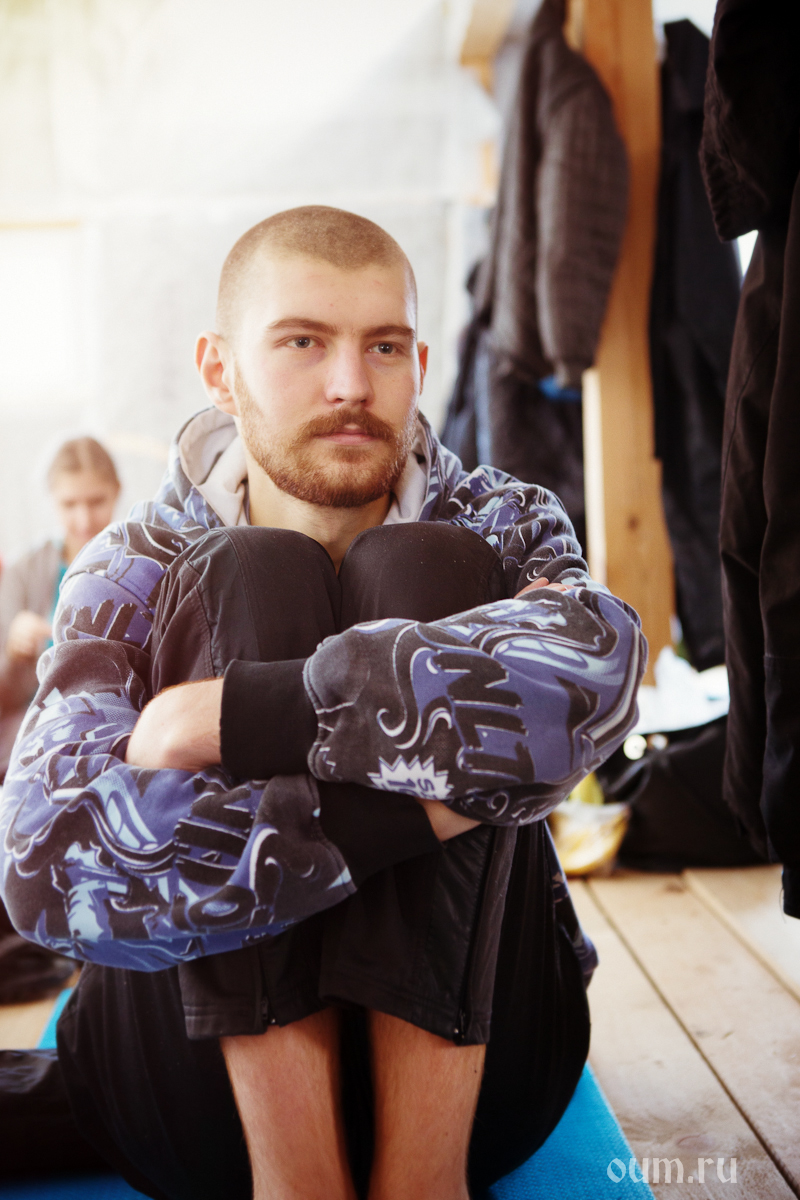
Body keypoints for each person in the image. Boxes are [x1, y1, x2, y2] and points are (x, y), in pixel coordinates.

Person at [0, 207, 646, 1200]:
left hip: (490, 1069)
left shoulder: (500, 520)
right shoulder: (130, 563)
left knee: (424, 562)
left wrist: (237, 717)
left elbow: (597, 675)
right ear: (220, 370)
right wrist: (409, 811)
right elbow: (44, 861)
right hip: (193, 1092)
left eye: (382, 346)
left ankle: (422, 1177)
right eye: (303, 342)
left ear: (419, 363)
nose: (350, 383)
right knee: (247, 568)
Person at [0, 438, 120, 1007]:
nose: (83, 518)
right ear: (53, 502)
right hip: (26, 740)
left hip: (101, 735)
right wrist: (12, 651)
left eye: (95, 501)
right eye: (70, 504)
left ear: (116, 494)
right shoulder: (29, 572)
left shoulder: (133, 560)